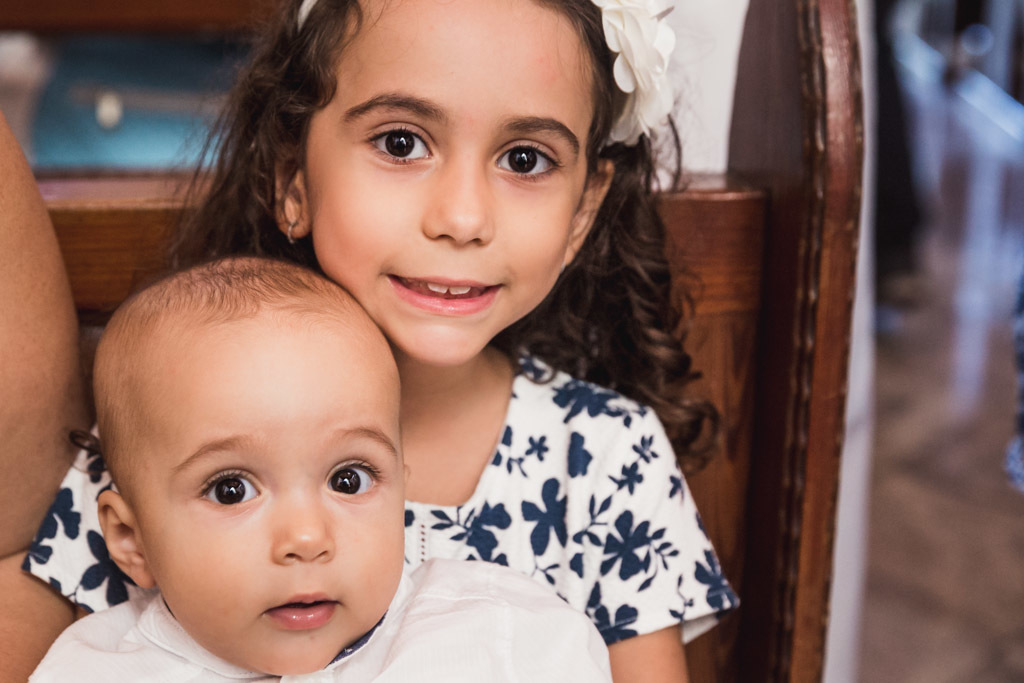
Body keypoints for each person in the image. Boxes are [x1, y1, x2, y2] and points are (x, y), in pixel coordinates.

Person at [8, 0, 739, 679]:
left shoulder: (606, 459)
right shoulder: (173, 421)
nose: (462, 216)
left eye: (524, 159)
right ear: (291, 173)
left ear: (583, 210)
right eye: (401, 142)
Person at [31, 256, 612, 681]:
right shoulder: (92, 671)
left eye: (348, 480)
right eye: (231, 490)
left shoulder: (504, 639)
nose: (307, 539)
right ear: (130, 539)